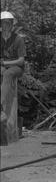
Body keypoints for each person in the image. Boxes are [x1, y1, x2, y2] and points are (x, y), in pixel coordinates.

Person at [1, 11, 26, 143]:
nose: (6, 25)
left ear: (12, 24)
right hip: (4, 66)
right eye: (3, 23)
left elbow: (21, 61)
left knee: (8, 74)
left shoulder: (18, 39)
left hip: (16, 68)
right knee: (3, 72)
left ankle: (1, 107)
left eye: (8, 23)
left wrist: (5, 63)